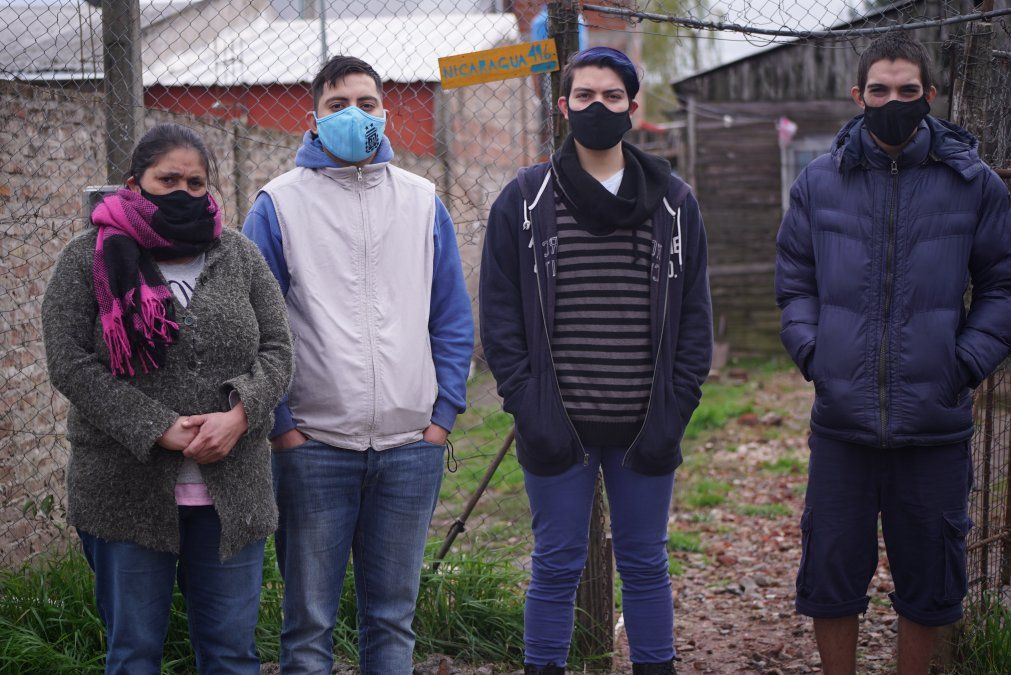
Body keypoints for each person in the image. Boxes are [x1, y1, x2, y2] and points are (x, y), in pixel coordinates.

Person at [776, 33, 1011, 674]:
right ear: (858, 96)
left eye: (909, 91)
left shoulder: (974, 185)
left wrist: (963, 364)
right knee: (830, 571)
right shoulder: (821, 183)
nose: (894, 101)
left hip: (933, 425)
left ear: (929, 97)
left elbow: (1003, 283)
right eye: (879, 90)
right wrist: (814, 354)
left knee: (932, 579)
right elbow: (794, 279)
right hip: (842, 424)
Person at [479, 47, 713, 675]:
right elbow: (499, 321)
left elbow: (695, 319)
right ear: (563, 107)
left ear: (632, 108)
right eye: (584, 96)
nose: (598, 107)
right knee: (555, 566)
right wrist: (529, 406)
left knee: (645, 563)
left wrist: (675, 409)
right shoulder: (524, 202)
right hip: (558, 426)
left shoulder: (674, 203)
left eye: (612, 97)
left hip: (646, 426)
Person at [242, 55, 473, 674]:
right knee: (308, 624)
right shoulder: (277, 206)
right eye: (338, 104)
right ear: (312, 118)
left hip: (410, 446)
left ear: (385, 112)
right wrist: (282, 426)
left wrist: (441, 417)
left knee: (393, 620)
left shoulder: (423, 202)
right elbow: (252, 328)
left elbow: (450, 316)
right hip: (313, 444)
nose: (354, 115)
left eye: (367, 103)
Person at [41, 122, 293, 674]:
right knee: (133, 655)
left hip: (233, 490)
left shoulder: (240, 255)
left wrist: (241, 415)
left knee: (231, 655)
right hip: (124, 490)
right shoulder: (87, 258)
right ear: (135, 183)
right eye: (168, 179)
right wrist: (155, 426)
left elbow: (278, 349)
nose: (183, 192)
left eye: (196, 182)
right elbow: (69, 361)